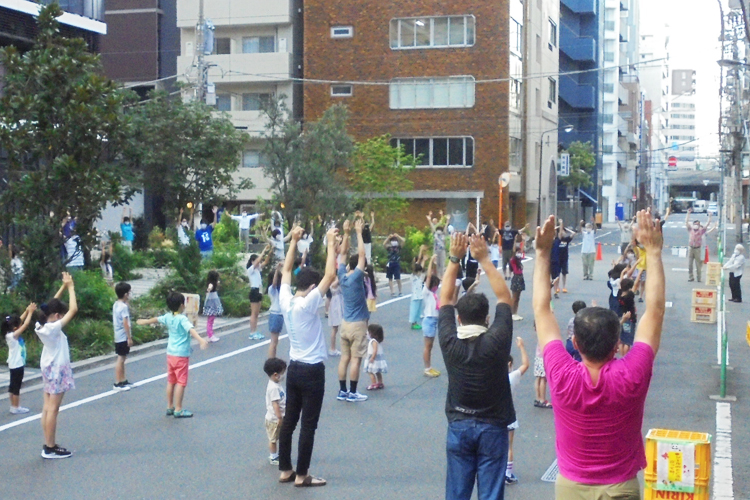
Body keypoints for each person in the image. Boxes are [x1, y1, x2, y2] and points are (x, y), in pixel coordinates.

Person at [532, 211, 665, 498]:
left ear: (575, 344)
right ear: (617, 343)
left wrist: (543, 254)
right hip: (621, 488)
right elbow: (654, 311)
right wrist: (653, 252)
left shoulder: (561, 372)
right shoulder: (632, 373)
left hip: (571, 488)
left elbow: (542, 310)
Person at [438, 232, 515, 500]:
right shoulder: (497, 341)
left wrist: (454, 258)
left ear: (458, 319)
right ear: (487, 317)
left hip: (459, 423)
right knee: (491, 494)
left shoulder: (450, 342)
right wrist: (484, 258)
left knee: (457, 493)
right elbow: (505, 297)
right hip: (493, 426)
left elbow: (445, 299)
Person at [277, 224, 338, 487]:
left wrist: (294, 241)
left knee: (290, 419)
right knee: (308, 425)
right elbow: (330, 273)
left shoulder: (285, 299)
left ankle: (285, 469)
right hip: (312, 370)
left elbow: (287, 269)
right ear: (312, 287)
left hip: (294, 368)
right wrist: (331, 243)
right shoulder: (308, 303)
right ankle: (302, 474)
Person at [137, 292, 209, 418]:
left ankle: (170, 406)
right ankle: (179, 409)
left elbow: (156, 319)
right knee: (181, 382)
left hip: (170, 354)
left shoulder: (168, 317)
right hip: (181, 355)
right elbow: (191, 330)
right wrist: (201, 340)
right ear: (182, 305)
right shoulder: (182, 319)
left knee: (171, 381)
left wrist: (145, 321)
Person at [35, 272, 78, 459]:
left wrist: (62, 287)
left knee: (47, 407)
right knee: (53, 408)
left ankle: (47, 443)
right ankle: (50, 447)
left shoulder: (40, 324)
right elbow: (74, 310)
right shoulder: (53, 328)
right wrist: (71, 287)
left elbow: (51, 304)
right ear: (57, 315)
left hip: (47, 366)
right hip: (58, 368)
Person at [336, 218, 370, 403]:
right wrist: (358, 233)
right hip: (358, 324)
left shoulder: (342, 276)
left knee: (345, 358)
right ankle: (353, 392)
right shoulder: (357, 277)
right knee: (356, 359)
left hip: (345, 323)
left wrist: (346, 233)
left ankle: (342, 391)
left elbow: (342, 255)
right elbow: (362, 256)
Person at [506, 336, 530, 485]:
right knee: (509, 445)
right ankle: (508, 473)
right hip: (509, 414)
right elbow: (526, 364)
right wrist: (521, 346)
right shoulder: (512, 377)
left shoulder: (491, 378)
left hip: (493, 415)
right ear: (509, 364)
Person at [4, 303, 36, 415]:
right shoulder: (13, 336)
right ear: (15, 327)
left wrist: (26, 311)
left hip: (13, 363)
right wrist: (31, 313)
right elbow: (25, 324)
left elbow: (19, 321)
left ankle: (13, 406)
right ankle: (16, 407)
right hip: (17, 364)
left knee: (12, 385)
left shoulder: (9, 333)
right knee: (16, 386)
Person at [264, 357, 287, 466]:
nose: (283, 375)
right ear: (275, 374)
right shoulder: (273, 388)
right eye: (282, 373)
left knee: (280, 436)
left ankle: (278, 454)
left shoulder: (276, 385)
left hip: (279, 417)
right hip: (274, 419)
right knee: (273, 438)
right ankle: (273, 456)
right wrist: (279, 417)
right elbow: (275, 404)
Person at [422, 255, 441, 378]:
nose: (437, 287)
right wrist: (430, 262)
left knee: (431, 346)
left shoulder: (433, 294)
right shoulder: (427, 292)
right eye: (435, 285)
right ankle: (427, 368)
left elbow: (434, 275)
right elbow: (429, 276)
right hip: (429, 320)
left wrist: (434, 264)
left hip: (434, 319)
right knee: (428, 346)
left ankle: (430, 367)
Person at [112, 282, 134, 391]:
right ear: (125, 294)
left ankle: (123, 379)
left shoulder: (116, 304)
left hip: (118, 335)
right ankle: (117, 382)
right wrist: (129, 337)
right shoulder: (123, 307)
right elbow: (125, 323)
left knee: (123, 357)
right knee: (121, 358)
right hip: (122, 336)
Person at [247, 245, 271, 341]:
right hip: (254, 291)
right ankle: (252, 332)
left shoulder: (258, 269)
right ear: (252, 261)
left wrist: (269, 253)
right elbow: (258, 261)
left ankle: (255, 331)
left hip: (259, 291)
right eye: (256, 260)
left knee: (257, 313)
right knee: (253, 313)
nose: (258, 262)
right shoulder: (251, 270)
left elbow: (265, 262)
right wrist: (263, 250)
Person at [685, 208, 714, 282]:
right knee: (690, 264)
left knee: (698, 264)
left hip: (697, 249)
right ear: (693, 224)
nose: (696, 225)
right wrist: (688, 214)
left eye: (698, 224)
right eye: (695, 224)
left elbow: (707, 224)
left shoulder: (701, 230)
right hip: (691, 248)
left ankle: (699, 278)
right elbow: (686, 222)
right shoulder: (690, 229)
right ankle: (690, 277)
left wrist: (710, 217)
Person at [267, 264, 285, 358]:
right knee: (274, 341)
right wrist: (277, 270)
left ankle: (273, 358)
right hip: (276, 314)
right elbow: (274, 283)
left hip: (277, 315)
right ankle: (271, 360)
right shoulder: (272, 289)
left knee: (275, 341)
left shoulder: (279, 290)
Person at [553, 221, 575, 294]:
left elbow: (573, 234)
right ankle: (557, 287)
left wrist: (567, 229)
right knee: (557, 274)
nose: (562, 233)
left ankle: (564, 287)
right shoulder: (557, 240)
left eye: (564, 232)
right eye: (561, 232)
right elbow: (557, 233)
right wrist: (560, 225)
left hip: (564, 258)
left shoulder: (567, 239)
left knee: (564, 273)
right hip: (557, 259)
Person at [364, 323, 387, 391]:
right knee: (377, 371)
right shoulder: (377, 341)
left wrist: (372, 358)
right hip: (377, 359)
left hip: (373, 359)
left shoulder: (373, 341)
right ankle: (380, 382)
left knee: (370, 371)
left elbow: (375, 350)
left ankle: (373, 384)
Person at [427, 210, 451, 276]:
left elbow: (445, 227)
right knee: (436, 265)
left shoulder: (443, 234)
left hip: (442, 250)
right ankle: (437, 277)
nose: (438, 231)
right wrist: (429, 220)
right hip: (436, 251)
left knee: (442, 265)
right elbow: (432, 227)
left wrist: (447, 220)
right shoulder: (435, 234)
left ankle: (442, 277)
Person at [203, 270, 224, 343]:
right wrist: (209, 289)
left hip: (212, 302)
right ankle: (210, 335)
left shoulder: (212, 283)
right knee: (210, 320)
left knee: (210, 320)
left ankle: (210, 334)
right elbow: (210, 287)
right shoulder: (211, 284)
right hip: (212, 303)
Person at [327, 276, 343, 356]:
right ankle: (332, 348)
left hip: (338, 305)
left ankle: (334, 348)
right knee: (335, 328)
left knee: (337, 328)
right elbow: (334, 285)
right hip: (336, 306)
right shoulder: (332, 284)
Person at [509, 248, 525, 321]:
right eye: (518, 252)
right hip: (516, 278)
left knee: (518, 298)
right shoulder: (513, 260)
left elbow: (522, 256)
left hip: (520, 278)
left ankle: (515, 313)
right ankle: (512, 313)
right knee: (514, 297)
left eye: (520, 252)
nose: (520, 253)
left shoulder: (519, 261)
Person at [410, 263, 425, 330]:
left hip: (420, 296)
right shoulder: (413, 277)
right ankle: (413, 323)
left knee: (418, 310)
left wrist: (424, 261)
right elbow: (414, 269)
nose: (420, 273)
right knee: (414, 310)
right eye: (419, 272)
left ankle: (416, 322)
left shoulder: (420, 278)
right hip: (415, 297)